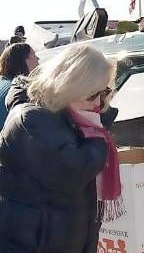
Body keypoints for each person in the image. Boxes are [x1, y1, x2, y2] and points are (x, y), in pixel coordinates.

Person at [0, 44, 121, 253]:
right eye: (94, 94)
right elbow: (74, 171)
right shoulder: (31, 119)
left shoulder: (73, 121)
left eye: (105, 92)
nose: (99, 103)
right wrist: (98, 137)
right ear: (72, 86)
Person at [0, 42, 39, 126]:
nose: (38, 59)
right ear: (25, 61)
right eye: (35, 56)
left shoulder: (3, 82)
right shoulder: (20, 91)